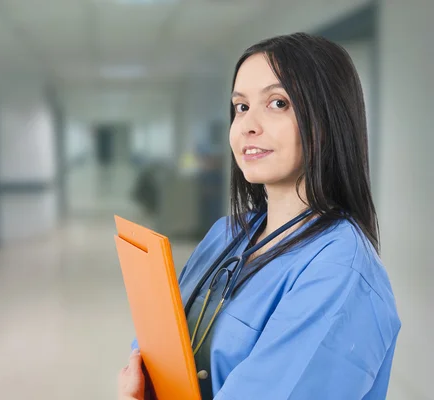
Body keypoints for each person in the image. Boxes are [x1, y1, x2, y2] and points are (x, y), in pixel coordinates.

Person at [117, 32, 401, 400]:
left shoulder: (340, 273)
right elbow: (161, 337)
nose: (248, 125)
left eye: (278, 103)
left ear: (327, 120)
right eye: (241, 107)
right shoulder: (227, 234)